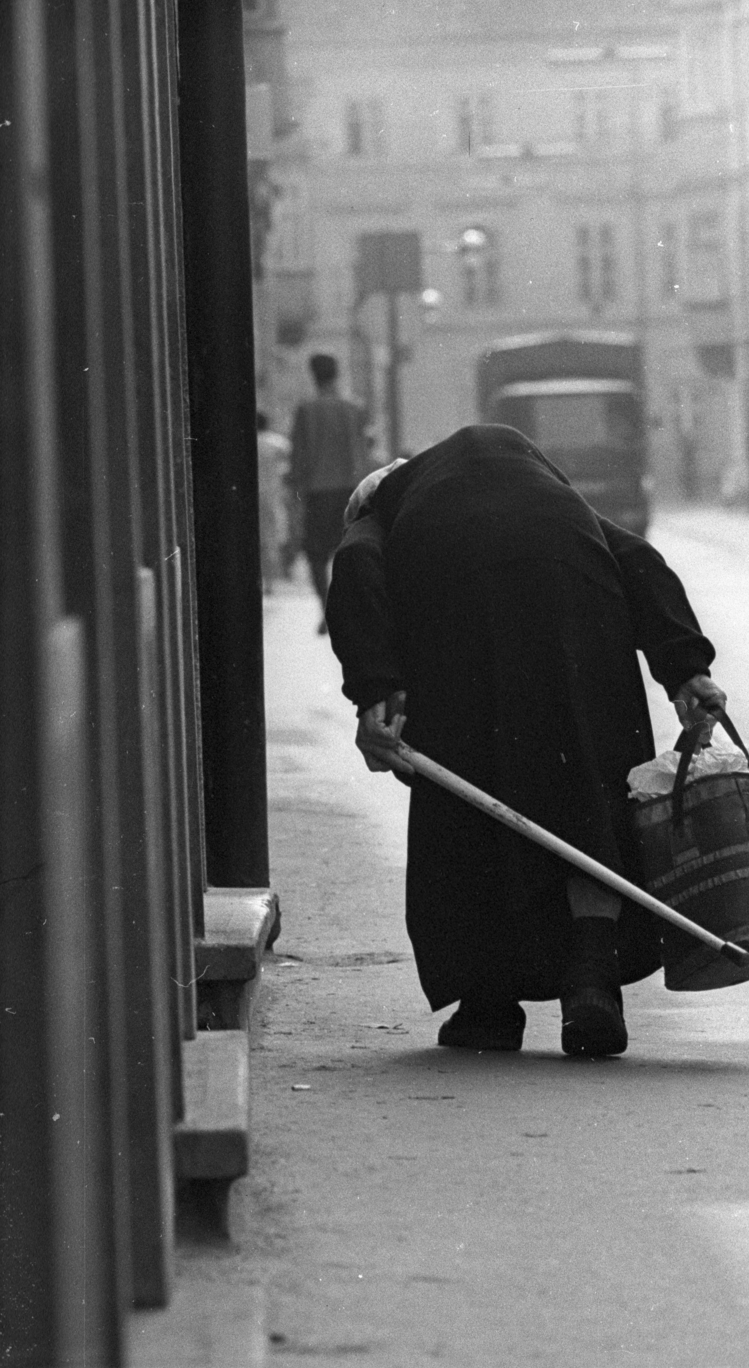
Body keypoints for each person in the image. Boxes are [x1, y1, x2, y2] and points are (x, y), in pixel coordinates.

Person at [325, 424, 725, 1060]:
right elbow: (637, 555)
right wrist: (687, 670)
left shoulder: (384, 511)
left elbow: (355, 565)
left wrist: (376, 689)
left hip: (459, 616)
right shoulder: (538, 479)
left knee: (471, 798)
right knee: (588, 788)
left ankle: (488, 1006)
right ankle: (591, 984)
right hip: (580, 609)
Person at [289, 353, 371, 631]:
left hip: (318, 492)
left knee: (316, 555)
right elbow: (362, 452)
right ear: (336, 374)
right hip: (350, 490)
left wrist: (295, 494)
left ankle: (327, 608)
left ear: (314, 376)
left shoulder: (305, 409)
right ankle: (348, 609)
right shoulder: (353, 407)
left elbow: (298, 457)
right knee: (348, 552)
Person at [256, 412, 291, 595]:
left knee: (257, 540)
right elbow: (290, 460)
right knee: (271, 538)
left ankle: (261, 581)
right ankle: (270, 582)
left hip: (252, 497)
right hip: (272, 495)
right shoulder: (276, 443)